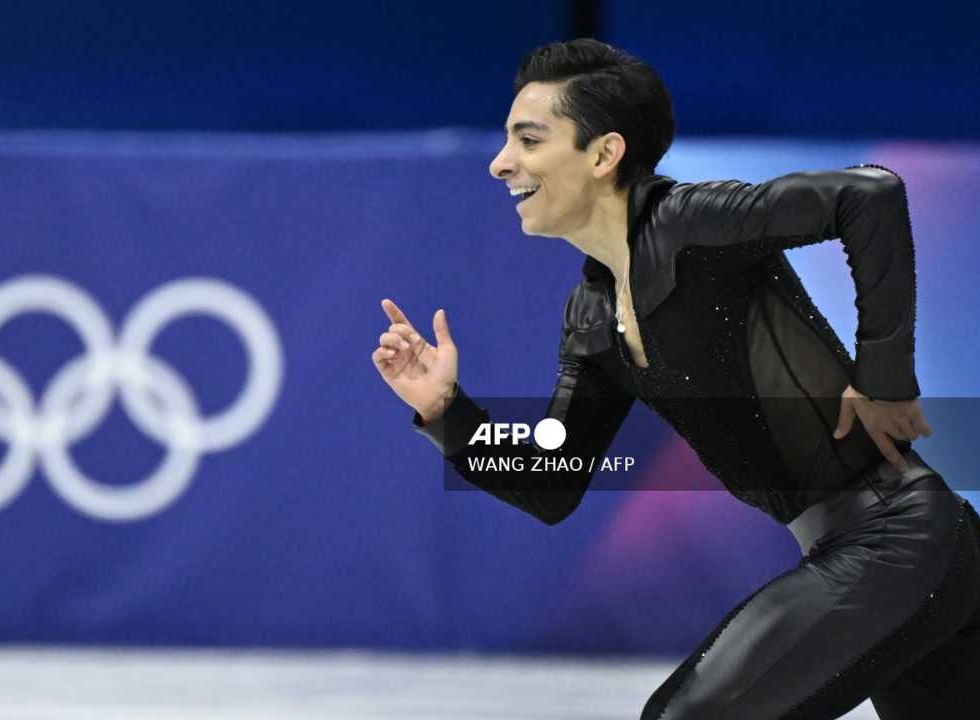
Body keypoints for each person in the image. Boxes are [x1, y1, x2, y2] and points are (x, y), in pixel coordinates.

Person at [371, 38, 980, 719]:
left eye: (529, 140)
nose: (500, 162)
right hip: (903, 553)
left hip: (896, 537)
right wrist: (448, 411)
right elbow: (552, 481)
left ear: (604, 154)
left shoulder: (692, 224)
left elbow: (870, 197)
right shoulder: (594, 313)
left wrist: (886, 376)